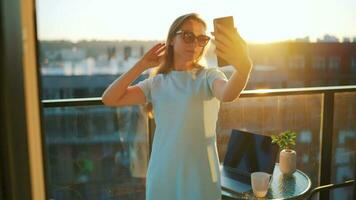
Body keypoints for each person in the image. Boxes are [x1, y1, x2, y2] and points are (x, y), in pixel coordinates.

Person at [102, 13, 252, 200]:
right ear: (172, 39)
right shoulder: (156, 83)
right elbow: (109, 98)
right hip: (163, 172)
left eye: (202, 39)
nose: (195, 43)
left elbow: (228, 94)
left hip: (201, 173)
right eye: (188, 36)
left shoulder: (209, 76)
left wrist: (244, 67)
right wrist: (141, 65)